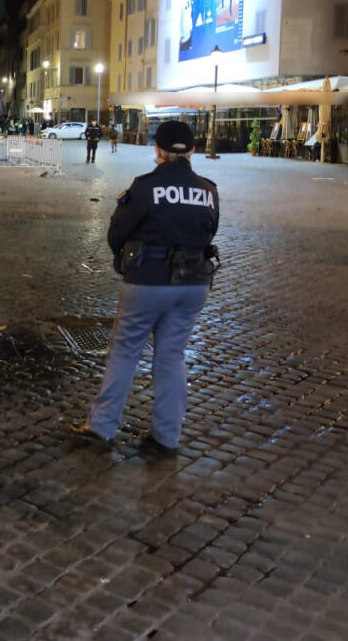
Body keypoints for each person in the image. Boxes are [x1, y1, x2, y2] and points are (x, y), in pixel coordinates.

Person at [71, 121, 219, 458]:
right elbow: (210, 230)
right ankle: (166, 438)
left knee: (125, 352)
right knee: (172, 356)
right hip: (192, 282)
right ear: (193, 150)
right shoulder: (208, 189)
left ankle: (101, 427)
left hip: (148, 280)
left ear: (157, 150)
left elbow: (116, 233)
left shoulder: (145, 187)